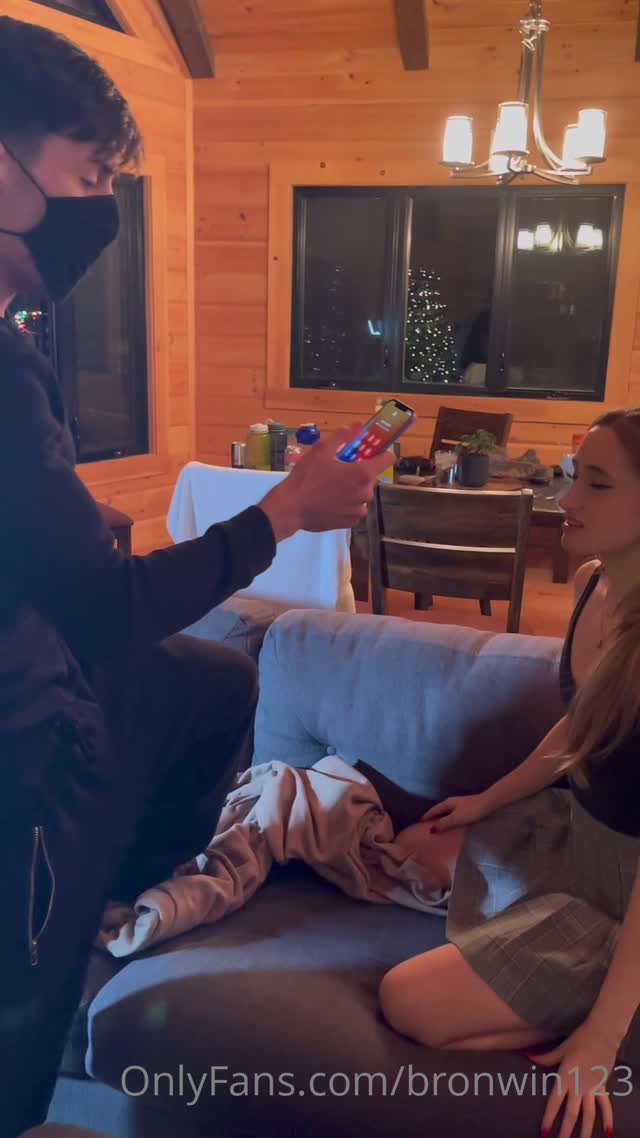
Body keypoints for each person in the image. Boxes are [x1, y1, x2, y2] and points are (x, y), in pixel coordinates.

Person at [0, 17, 394, 1136]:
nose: (102, 210)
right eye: (90, 176)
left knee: (212, 680)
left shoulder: (16, 345)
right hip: (24, 748)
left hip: (57, 690)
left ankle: (111, 913)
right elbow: (103, 611)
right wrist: (285, 513)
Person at [380, 407, 640, 1138]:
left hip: (626, 893)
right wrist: (485, 801)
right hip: (574, 835)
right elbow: (583, 725)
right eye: (573, 475)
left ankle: (616, 1013)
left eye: (598, 484)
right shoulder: (592, 583)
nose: (567, 498)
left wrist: (600, 1040)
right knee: (416, 846)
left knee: (407, 1000)